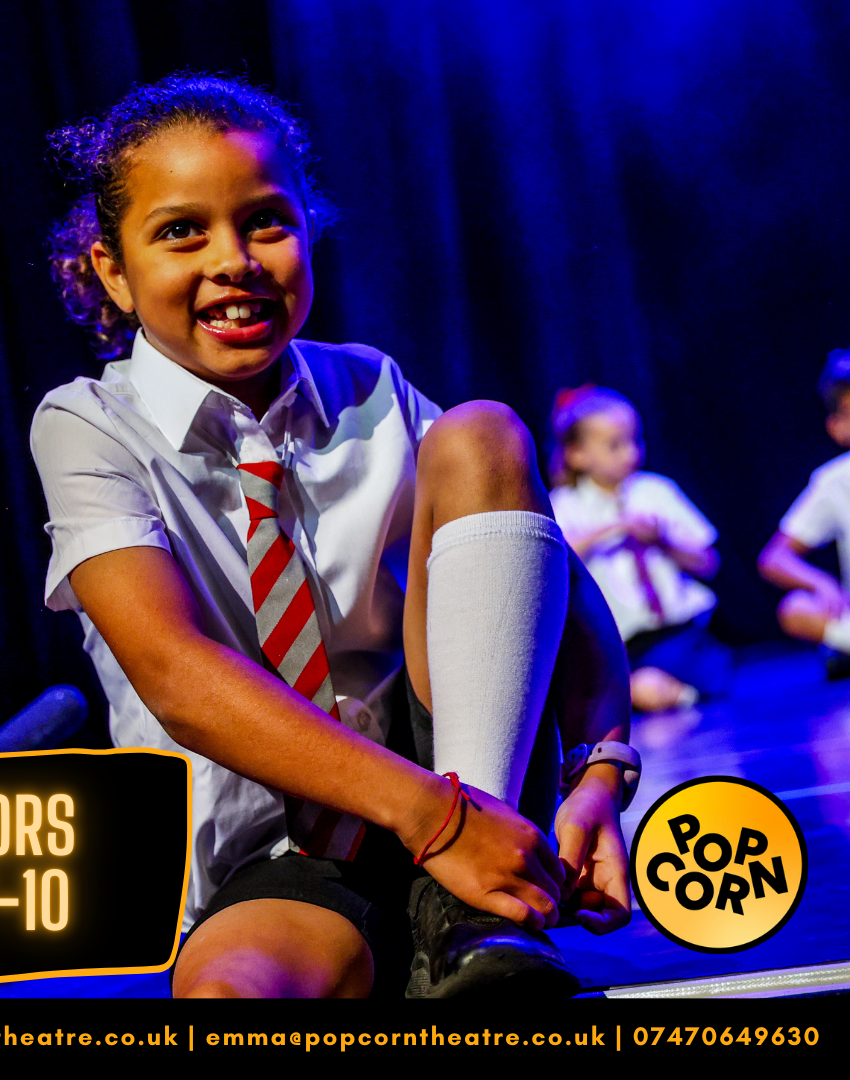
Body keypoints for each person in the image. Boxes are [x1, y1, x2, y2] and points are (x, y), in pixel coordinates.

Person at [32, 74, 635, 1000]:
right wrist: (434, 821)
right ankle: (438, 918)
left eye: (266, 222)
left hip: (463, 797)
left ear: (308, 229)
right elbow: (175, 674)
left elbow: (549, 574)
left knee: (483, 433)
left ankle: (470, 920)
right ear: (112, 269)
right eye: (182, 231)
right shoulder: (88, 425)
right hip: (282, 859)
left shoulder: (372, 388)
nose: (234, 260)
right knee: (228, 995)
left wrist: (598, 774)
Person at [548, 386, 728, 713]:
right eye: (615, 445)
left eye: (634, 441)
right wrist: (612, 528)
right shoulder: (564, 506)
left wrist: (660, 540)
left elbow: (707, 562)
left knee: (664, 679)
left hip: (678, 633)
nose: (630, 453)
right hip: (617, 645)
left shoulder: (655, 491)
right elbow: (555, 561)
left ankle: (688, 688)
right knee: (613, 691)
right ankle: (682, 695)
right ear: (577, 454)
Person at [758, 348, 850, 675]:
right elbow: (775, 558)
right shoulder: (835, 481)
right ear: (838, 427)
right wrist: (821, 583)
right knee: (796, 608)